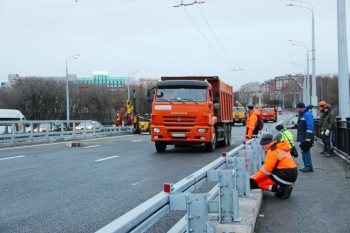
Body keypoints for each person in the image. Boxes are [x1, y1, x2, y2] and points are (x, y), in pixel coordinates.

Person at [250, 133, 298, 199]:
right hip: (291, 174)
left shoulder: (273, 151)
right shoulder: (280, 147)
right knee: (263, 179)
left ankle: (281, 190)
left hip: (285, 175)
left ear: (268, 143)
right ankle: (282, 188)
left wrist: (254, 178)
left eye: (263, 145)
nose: (263, 147)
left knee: (261, 183)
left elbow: (266, 171)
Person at [296, 102, 314, 172]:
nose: (296, 110)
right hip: (303, 135)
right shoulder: (304, 114)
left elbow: (310, 126)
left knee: (306, 150)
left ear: (300, 108)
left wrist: (308, 137)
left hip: (306, 136)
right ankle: (306, 165)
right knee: (304, 150)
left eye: (297, 108)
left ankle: (309, 166)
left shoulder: (307, 114)